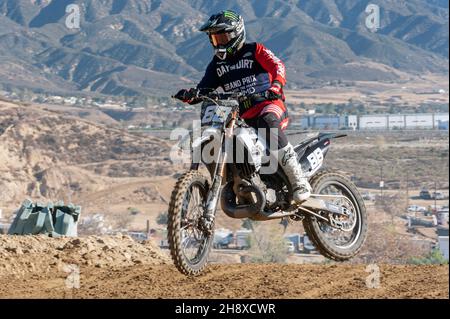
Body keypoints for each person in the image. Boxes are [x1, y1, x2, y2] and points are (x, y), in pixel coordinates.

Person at [174, 10, 311, 203]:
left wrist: (276, 85)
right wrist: (191, 95)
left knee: (267, 121)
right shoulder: (217, 64)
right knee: (224, 135)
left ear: (237, 33)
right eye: (215, 38)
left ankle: (299, 181)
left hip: (269, 104)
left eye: (223, 36)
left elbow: (277, 65)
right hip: (242, 116)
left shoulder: (254, 50)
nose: (220, 43)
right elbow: (205, 87)